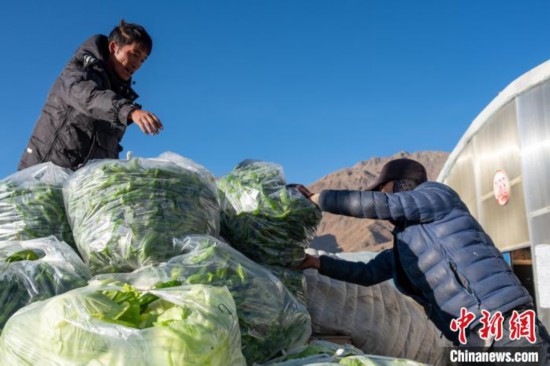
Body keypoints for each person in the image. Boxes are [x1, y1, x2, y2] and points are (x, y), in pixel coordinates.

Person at [292, 158, 550, 362]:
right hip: (469, 337)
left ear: (402, 184)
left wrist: (318, 199)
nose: (383, 195)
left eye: (384, 189)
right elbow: (368, 273)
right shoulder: (406, 243)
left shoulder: (437, 196)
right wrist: (315, 263)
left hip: (503, 324)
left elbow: (385, 205)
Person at [18, 20, 163, 171]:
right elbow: (88, 96)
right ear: (114, 47)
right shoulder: (79, 70)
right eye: (134, 54)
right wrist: (129, 110)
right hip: (45, 173)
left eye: (142, 60)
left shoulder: (120, 96)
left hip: (81, 184)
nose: (137, 64)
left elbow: (110, 146)